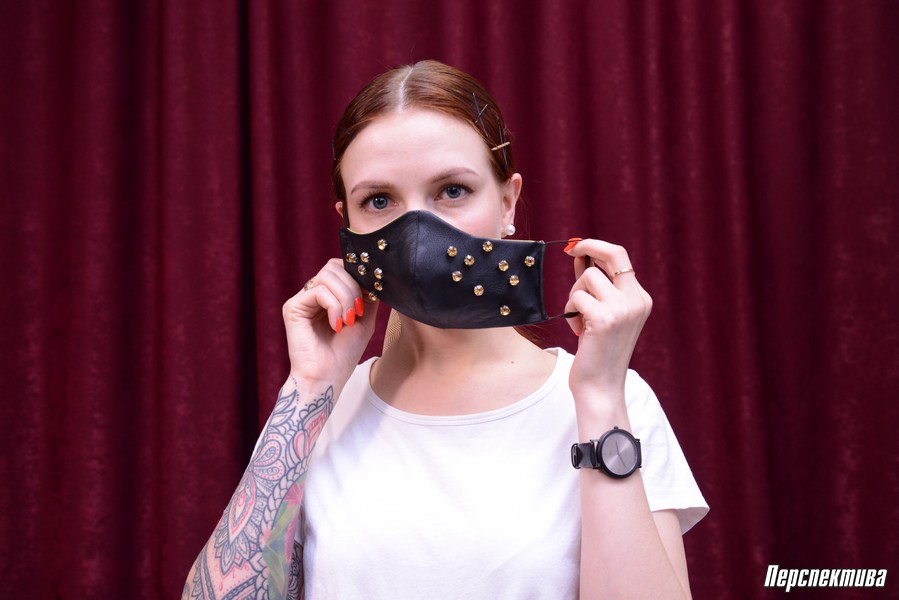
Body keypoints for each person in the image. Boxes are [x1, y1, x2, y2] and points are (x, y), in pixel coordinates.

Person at [183, 60, 708, 600]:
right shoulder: (320, 414)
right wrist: (309, 390)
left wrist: (599, 398)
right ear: (348, 223)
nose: (418, 232)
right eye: (379, 200)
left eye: (452, 190)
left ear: (507, 202)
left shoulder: (615, 403)